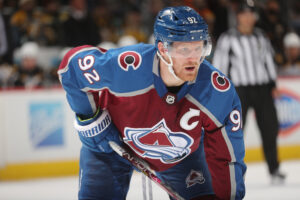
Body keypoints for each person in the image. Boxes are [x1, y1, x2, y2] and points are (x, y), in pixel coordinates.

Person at [58, 6, 246, 200]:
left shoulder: (216, 90)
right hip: (109, 147)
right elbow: (71, 67)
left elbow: (228, 158)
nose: (194, 58)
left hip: (179, 156)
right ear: (163, 48)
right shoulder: (128, 67)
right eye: (184, 49)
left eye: (199, 48)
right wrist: (89, 118)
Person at [212, 1, 285, 184]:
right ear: (238, 16)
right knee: (235, 133)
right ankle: (234, 173)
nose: (248, 18)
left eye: (251, 14)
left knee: (270, 129)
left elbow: (268, 62)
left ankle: (274, 169)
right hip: (239, 91)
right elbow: (220, 67)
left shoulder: (261, 36)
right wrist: (223, 94)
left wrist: (273, 85)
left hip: (262, 89)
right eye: (244, 14)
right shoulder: (228, 38)